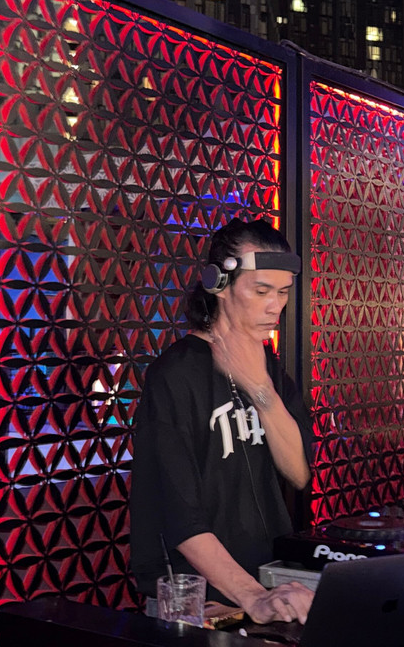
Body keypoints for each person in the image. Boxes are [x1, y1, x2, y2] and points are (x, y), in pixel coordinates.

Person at [130, 218, 315, 625]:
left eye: (283, 292)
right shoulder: (174, 375)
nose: (275, 306)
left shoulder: (269, 369)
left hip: (266, 583)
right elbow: (180, 515)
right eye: (261, 291)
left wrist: (260, 389)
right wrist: (251, 596)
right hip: (197, 599)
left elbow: (298, 472)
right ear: (218, 284)